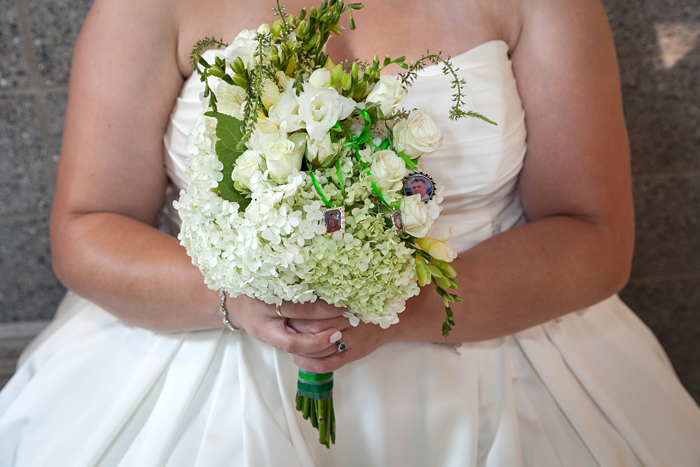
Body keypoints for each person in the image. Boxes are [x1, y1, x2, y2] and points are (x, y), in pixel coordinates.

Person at [1, 0, 699, 465]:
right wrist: (238, 300)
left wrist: (398, 310)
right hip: (209, 349)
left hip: (497, 340)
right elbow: (87, 225)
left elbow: (593, 234)